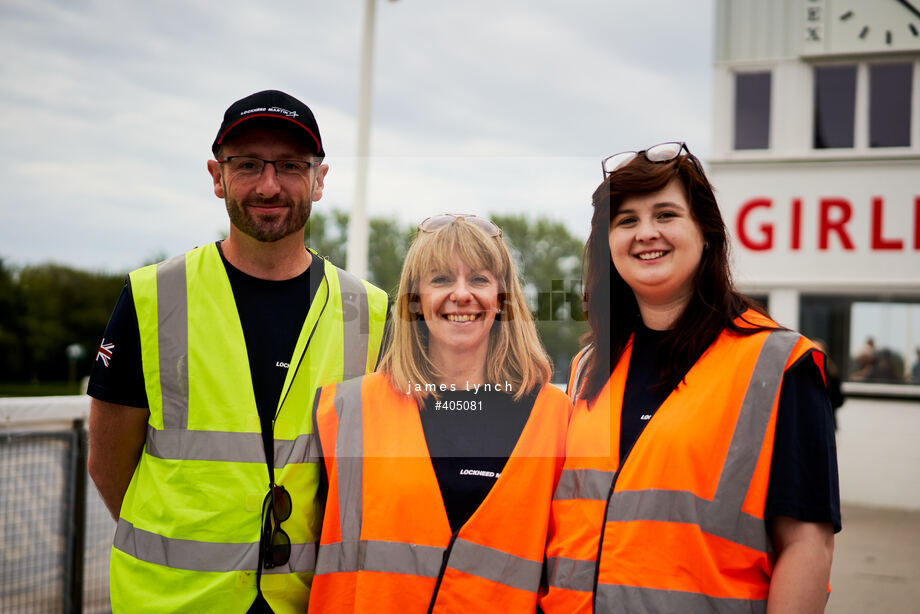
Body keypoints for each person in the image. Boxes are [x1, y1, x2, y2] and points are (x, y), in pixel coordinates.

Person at [86, 90, 389, 614]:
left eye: (291, 166)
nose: (268, 185)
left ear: (319, 181)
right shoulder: (154, 295)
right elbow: (108, 463)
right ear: (216, 175)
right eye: (247, 164)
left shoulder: (370, 311)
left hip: (307, 601)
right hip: (173, 601)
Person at [541, 142, 840, 613]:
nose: (646, 233)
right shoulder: (588, 370)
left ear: (707, 233)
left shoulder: (779, 364)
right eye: (626, 221)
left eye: (665, 214)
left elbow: (807, 546)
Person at [308, 214, 571, 613]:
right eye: (441, 279)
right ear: (415, 299)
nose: (461, 294)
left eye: (480, 279)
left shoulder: (555, 417)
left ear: (503, 297)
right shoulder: (346, 412)